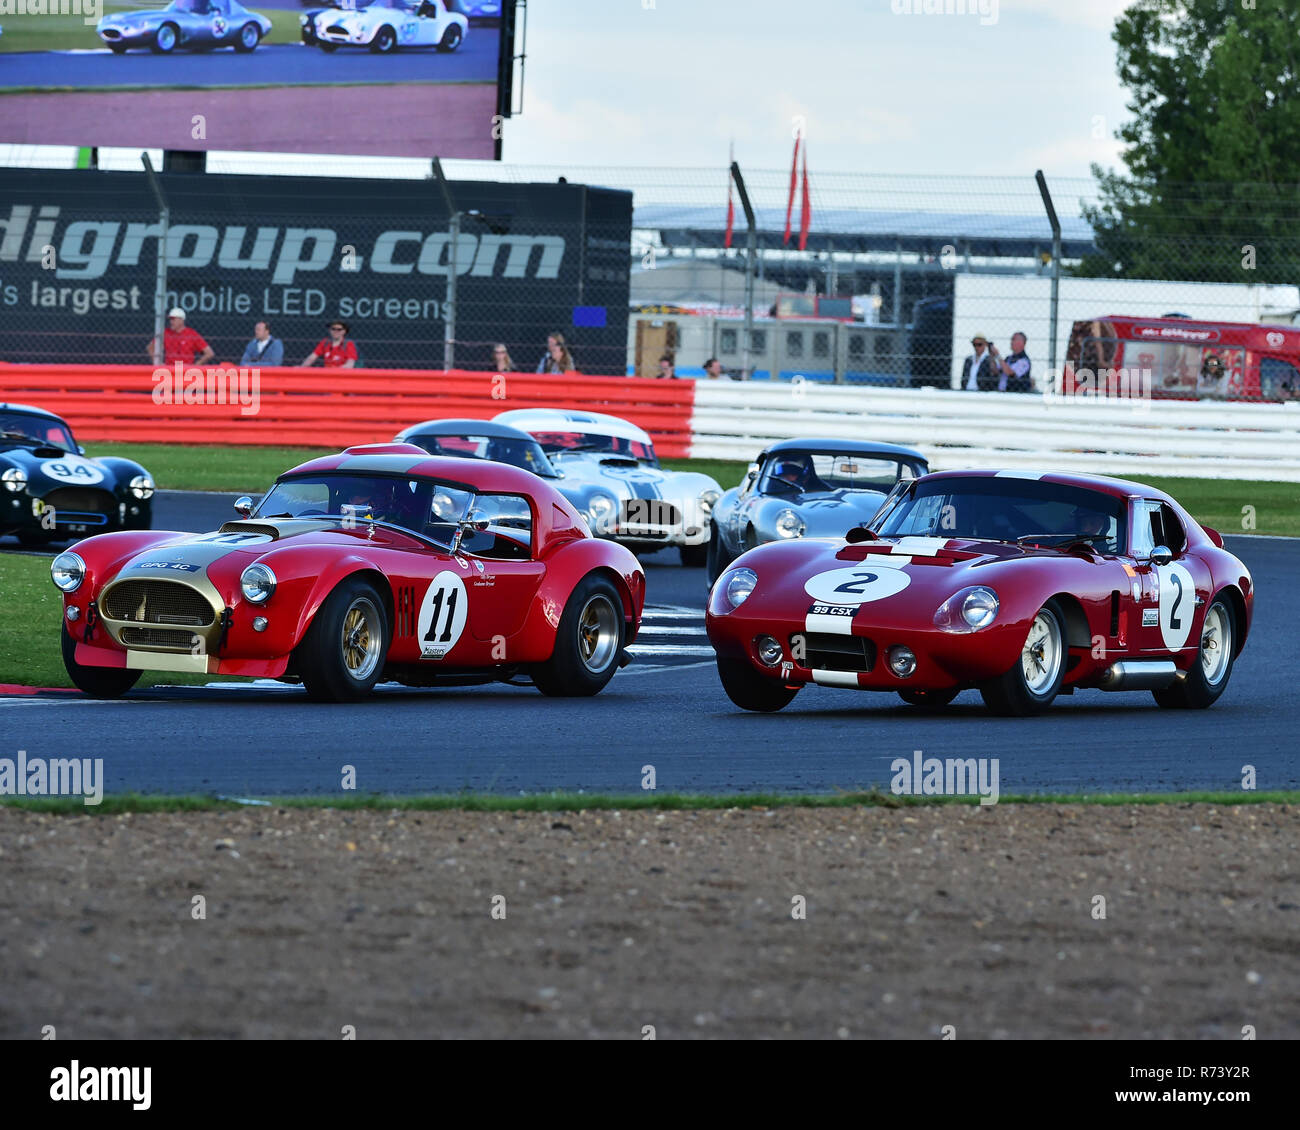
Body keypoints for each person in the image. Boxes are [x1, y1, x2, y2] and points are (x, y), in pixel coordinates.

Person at [147, 307, 213, 367]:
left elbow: (209, 353)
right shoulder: (166, 333)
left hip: (186, 372)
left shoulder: (191, 334)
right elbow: (150, 347)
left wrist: (195, 366)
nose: (171, 322)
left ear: (181, 320)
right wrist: (158, 363)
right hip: (169, 370)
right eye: (170, 319)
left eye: (173, 319)